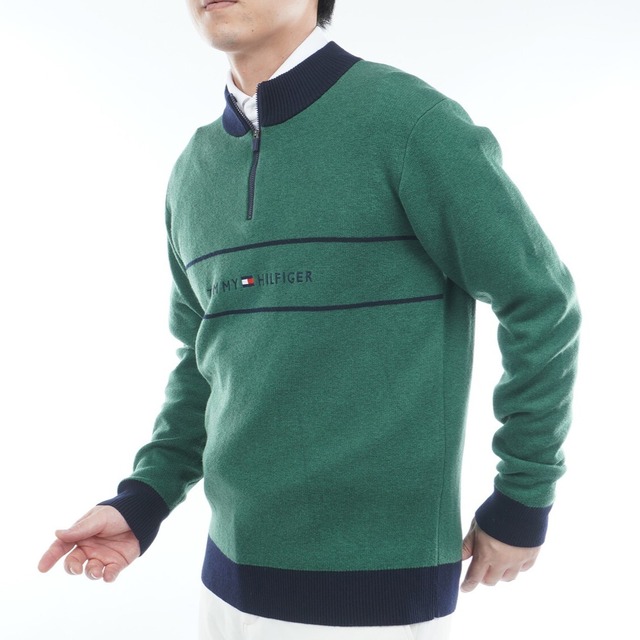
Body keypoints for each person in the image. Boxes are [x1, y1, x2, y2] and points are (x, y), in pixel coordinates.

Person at [38, 1, 581, 639]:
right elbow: (202, 362)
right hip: (228, 583)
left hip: (377, 595)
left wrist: (523, 497)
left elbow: (540, 302)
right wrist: (143, 501)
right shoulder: (192, 170)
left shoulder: (409, 121)